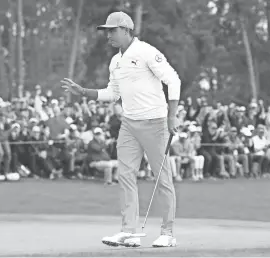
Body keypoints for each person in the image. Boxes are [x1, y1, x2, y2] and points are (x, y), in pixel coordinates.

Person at [61, 11, 180, 248]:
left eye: (112, 31)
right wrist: (85, 92)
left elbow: (173, 80)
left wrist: (172, 115)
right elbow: (113, 93)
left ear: (126, 30)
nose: (108, 36)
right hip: (129, 124)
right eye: (107, 32)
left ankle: (168, 232)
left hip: (155, 123)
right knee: (125, 176)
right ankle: (129, 231)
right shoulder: (115, 61)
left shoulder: (146, 52)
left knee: (162, 178)